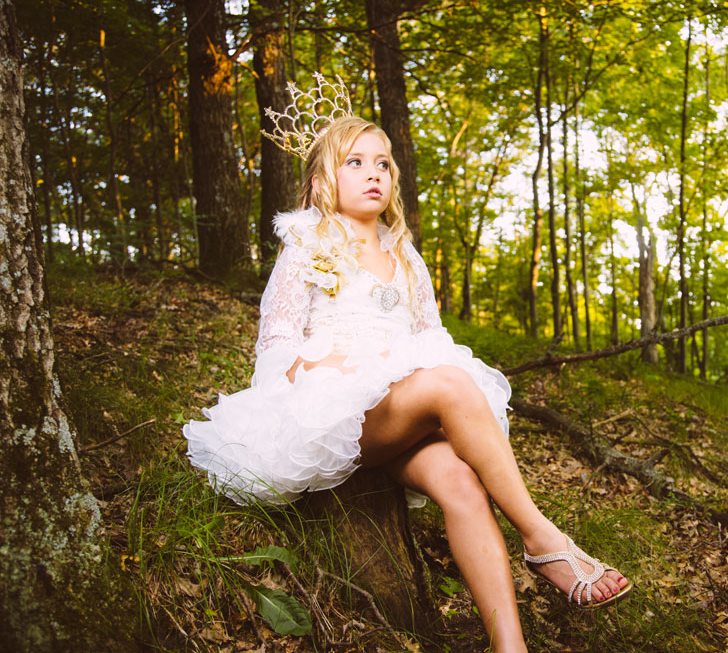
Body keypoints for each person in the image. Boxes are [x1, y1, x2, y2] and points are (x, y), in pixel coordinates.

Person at [183, 75, 630, 652]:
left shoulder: (405, 256)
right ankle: (543, 539)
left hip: (400, 414)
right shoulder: (306, 246)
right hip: (338, 418)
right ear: (322, 181)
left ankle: (510, 647)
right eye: (356, 162)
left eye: (384, 163)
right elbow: (273, 349)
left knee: (462, 482)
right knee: (448, 382)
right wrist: (324, 364)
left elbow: (431, 339)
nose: (375, 172)